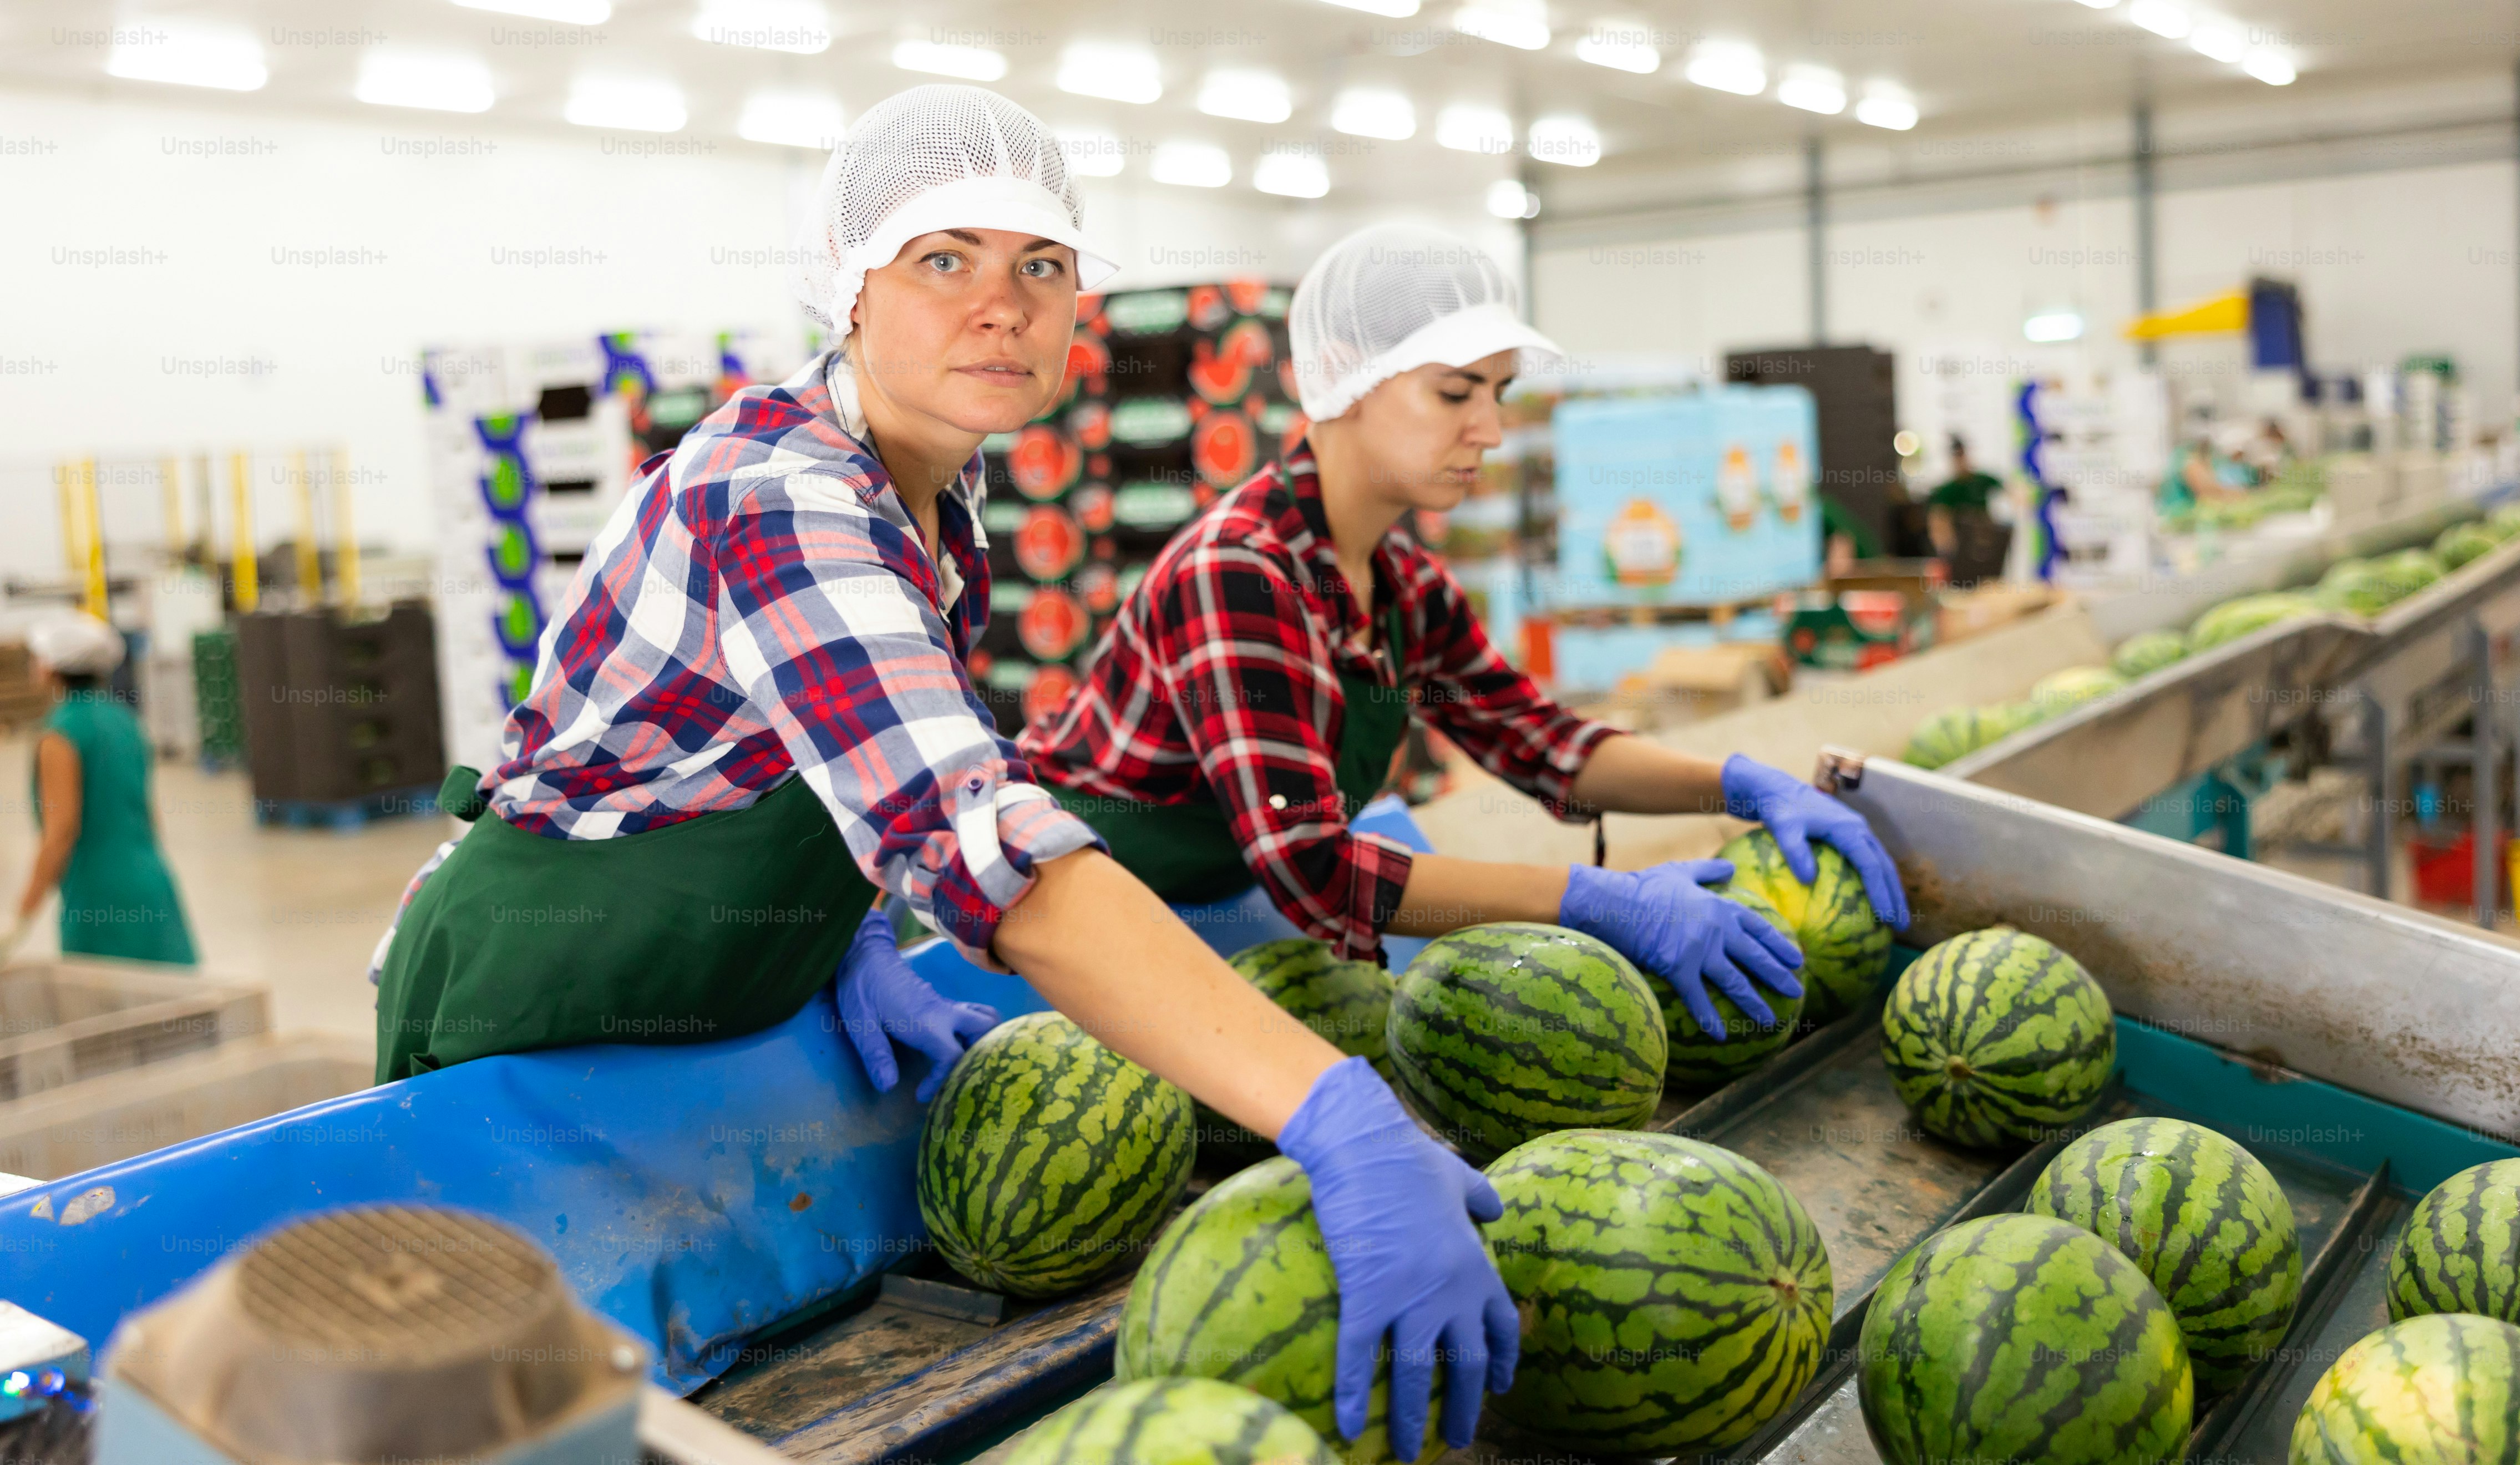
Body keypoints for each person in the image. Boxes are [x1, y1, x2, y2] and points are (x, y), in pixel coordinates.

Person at [368, 87, 1512, 1460]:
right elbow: (978, 841)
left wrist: (849, 934)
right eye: (942, 259)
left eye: (1042, 266)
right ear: (848, 294)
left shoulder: (929, 492)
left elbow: (839, 764)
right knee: (517, 1413)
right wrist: (1334, 1110)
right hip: (544, 997)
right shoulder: (778, 495)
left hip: (707, 993)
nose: (1002, 306)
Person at [1018, 224, 1909, 1046]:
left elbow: (1540, 741)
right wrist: (1595, 901)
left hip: (1209, 907)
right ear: (1341, 378)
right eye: (1453, 392)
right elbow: (1314, 869)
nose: (1487, 429)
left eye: (1498, 392)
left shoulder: (1399, 582)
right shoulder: (1238, 574)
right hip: (1053, 922)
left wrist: (1738, 787)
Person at [10, 613, 198, 966]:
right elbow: (148, 813)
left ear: (50, 668)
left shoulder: (60, 734)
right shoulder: (125, 721)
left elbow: (61, 832)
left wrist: (22, 914)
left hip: (100, 895)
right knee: (166, 1004)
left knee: (109, 1006)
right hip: (151, 882)